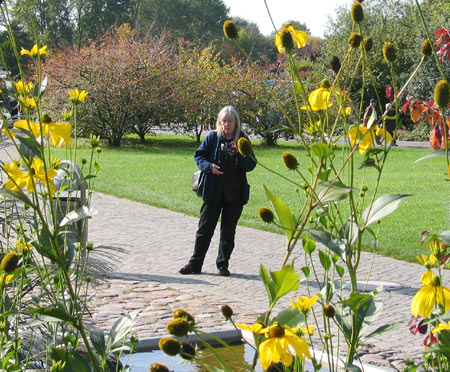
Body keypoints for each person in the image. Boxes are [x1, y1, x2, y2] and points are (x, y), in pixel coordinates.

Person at [179, 106, 256, 277]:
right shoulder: (213, 137)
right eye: (224, 121)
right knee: (204, 229)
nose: (226, 124)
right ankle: (195, 263)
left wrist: (238, 155)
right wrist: (209, 167)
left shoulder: (242, 139)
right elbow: (199, 156)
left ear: (236, 122)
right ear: (219, 122)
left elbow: (251, 164)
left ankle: (222, 265)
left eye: (230, 121)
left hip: (234, 193)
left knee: (228, 232)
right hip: (213, 191)